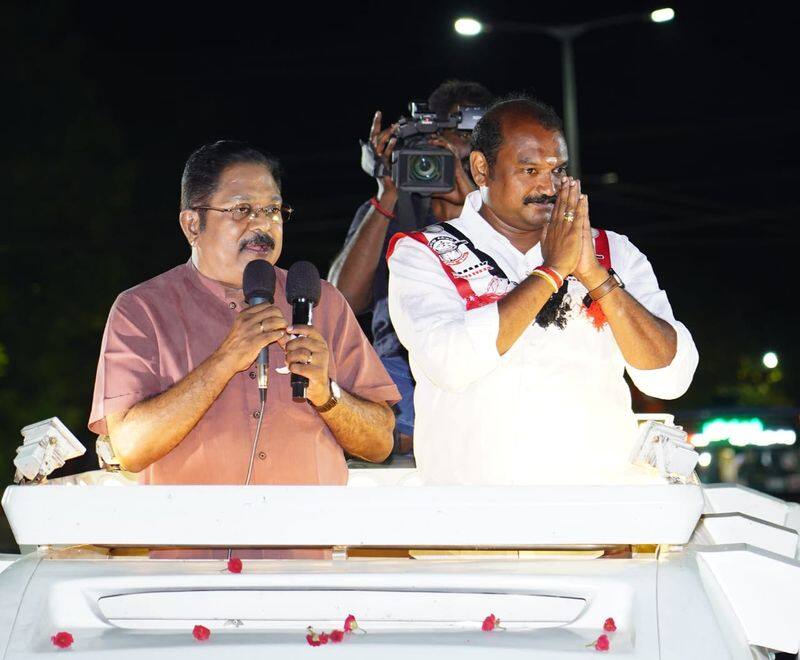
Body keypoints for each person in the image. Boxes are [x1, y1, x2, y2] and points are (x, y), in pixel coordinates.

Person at [387, 96, 699, 485]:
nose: (548, 186)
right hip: (470, 521)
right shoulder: (422, 252)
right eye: (529, 169)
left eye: (557, 170)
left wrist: (595, 276)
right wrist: (552, 271)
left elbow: (669, 378)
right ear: (483, 169)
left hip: (597, 517)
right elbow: (449, 362)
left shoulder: (612, 251)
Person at [89, 140, 399, 491]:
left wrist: (326, 394)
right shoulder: (141, 310)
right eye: (241, 210)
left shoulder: (319, 301)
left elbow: (380, 443)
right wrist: (225, 359)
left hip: (300, 539)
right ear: (192, 224)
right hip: (191, 540)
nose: (262, 225)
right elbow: (129, 447)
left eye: (273, 210)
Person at [328, 80, 493, 452]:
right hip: (402, 367)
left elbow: (509, 270)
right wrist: (387, 193)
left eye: (462, 145)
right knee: (368, 401)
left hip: (487, 362)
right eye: (438, 144)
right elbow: (341, 301)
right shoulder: (391, 209)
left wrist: (469, 197)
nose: (447, 158)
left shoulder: (503, 216)